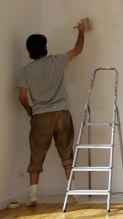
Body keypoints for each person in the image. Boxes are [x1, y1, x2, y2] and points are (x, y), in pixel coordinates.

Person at [16, 19, 87, 206]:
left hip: (40, 116)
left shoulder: (25, 71)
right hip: (62, 114)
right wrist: (82, 31)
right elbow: (78, 49)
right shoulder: (57, 61)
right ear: (45, 48)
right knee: (66, 154)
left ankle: (33, 197)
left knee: (36, 156)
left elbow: (22, 97)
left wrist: (29, 110)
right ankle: (72, 192)